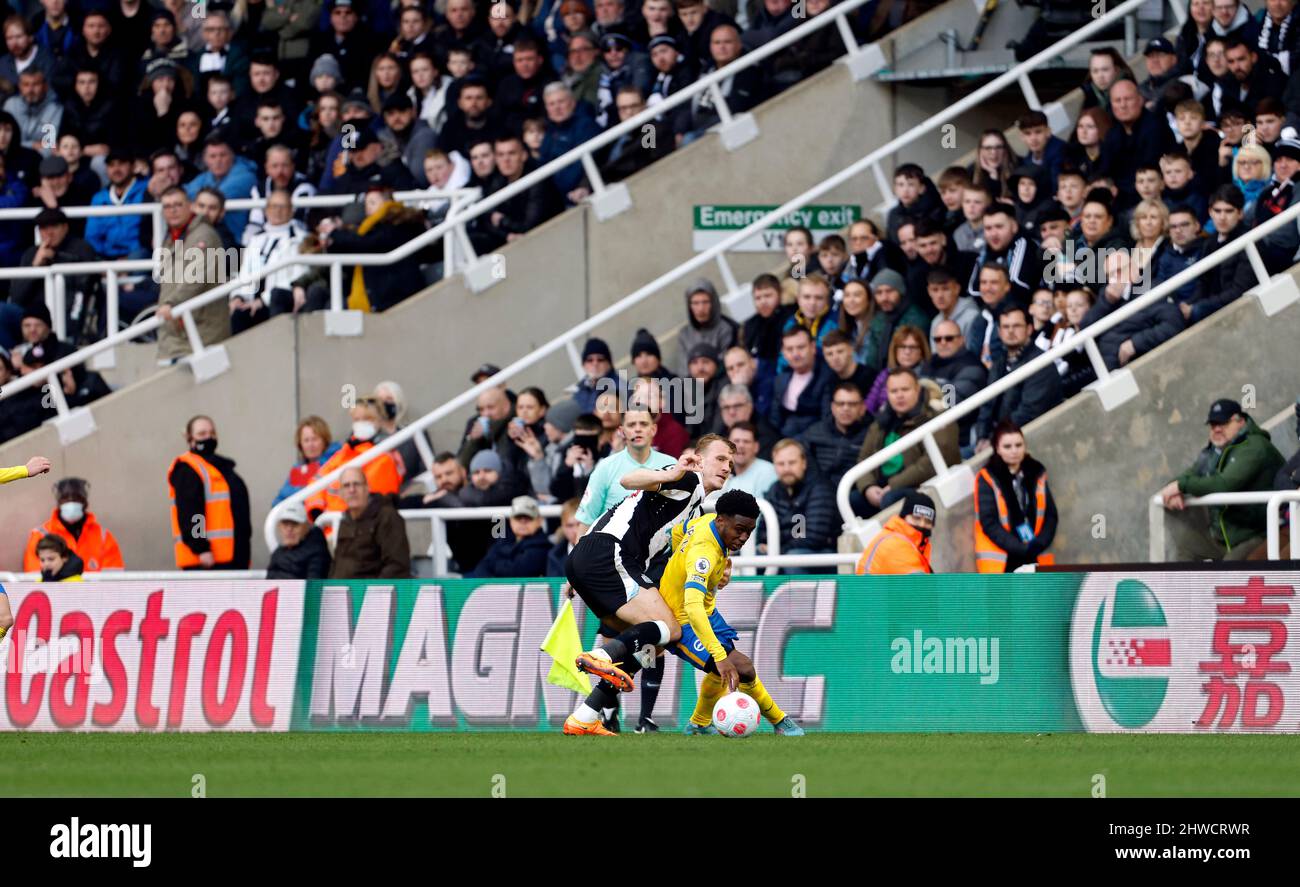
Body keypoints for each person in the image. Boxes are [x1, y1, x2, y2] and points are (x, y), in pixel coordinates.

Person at [563, 434, 734, 735]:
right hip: (609, 553)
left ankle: (585, 717)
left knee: (650, 644)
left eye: (730, 463)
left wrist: (716, 572)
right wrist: (670, 472)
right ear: (699, 458)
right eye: (720, 459)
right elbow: (629, 480)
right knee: (671, 628)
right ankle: (601, 656)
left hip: (592, 556)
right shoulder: (688, 481)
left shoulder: (694, 506)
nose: (726, 467)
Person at [658, 492, 804, 736]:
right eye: (739, 530)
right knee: (736, 667)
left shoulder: (704, 523)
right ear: (721, 520)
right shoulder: (703, 553)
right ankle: (780, 722)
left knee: (737, 667)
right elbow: (692, 606)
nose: (744, 537)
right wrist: (718, 655)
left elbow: (676, 532)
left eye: (749, 531)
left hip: (706, 611)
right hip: (681, 618)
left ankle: (698, 724)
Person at [1157, 398, 1286, 560]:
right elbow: (1188, 475)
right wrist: (1174, 487)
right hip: (1224, 535)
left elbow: (1224, 484)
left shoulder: (1255, 446)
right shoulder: (1213, 452)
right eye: (1213, 425)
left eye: (1223, 423)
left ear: (1240, 421)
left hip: (1257, 533)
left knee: (1228, 569)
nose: (1217, 429)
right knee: (1186, 547)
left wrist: (1181, 486)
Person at [855, 368, 960, 515]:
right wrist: (868, 487)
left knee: (891, 499)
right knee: (851, 500)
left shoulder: (937, 418)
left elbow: (933, 461)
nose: (899, 395)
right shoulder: (880, 423)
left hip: (920, 486)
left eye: (905, 389)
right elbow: (863, 459)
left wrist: (893, 485)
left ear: (918, 389)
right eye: (894, 391)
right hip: (883, 488)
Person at [155, 185, 232, 365]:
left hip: (201, 333)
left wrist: (171, 304)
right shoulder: (172, 237)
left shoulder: (204, 235)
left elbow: (196, 278)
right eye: (167, 206)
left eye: (178, 204)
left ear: (190, 206)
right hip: (178, 334)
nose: (172, 210)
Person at [167, 415, 251, 570]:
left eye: (212, 433)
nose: (209, 437)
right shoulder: (188, 468)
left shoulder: (222, 467)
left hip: (233, 558)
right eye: (202, 434)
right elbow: (192, 513)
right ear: (190, 438)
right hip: (207, 562)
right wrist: (201, 548)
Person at [975, 305, 1064, 449]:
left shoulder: (1041, 363)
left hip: (1033, 440)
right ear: (999, 332)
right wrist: (981, 437)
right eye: (1005, 327)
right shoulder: (999, 362)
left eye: (1016, 326)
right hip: (1000, 438)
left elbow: (1028, 412)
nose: (1010, 331)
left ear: (1029, 329)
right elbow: (987, 405)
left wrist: (993, 440)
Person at [974, 422, 1058, 573]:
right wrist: (1021, 548)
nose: (1014, 451)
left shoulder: (1036, 471)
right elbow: (989, 523)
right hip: (1004, 560)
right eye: (1007, 446)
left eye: (1018, 445)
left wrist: (1039, 543)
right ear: (997, 449)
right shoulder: (987, 476)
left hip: (1035, 553)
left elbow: (1050, 515)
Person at [307, 399, 403, 520]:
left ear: (379, 422)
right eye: (357, 419)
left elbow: (371, 500)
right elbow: (317, 480)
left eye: (367, 419)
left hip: (357, 528)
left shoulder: (385, 457)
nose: (361, 423)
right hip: (330, 524)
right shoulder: (344, 452)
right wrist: (317, 510)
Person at [765, 438, 838, 572]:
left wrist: (779, 549)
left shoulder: (820, 487)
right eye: (781, 464)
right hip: (784, 550)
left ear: (804, 463)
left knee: (792, 560)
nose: (786, 469)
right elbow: (763, 533)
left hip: (821, 554)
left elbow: (814, 537)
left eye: (792, 463)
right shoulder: (774, 490)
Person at [22, 476, 124, 573]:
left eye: (76, 498)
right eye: (65, 498)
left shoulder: (103, 537)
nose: (71, 502)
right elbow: (33, 576)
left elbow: (114, 578)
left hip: (95, 591)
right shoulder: (40, 535)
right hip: (55, 591)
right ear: (59, 503)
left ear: (85, 503)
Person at [328, 467, 411, 579]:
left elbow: (397, 565)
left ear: (367, 488)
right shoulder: (345, 520)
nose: (352, 490)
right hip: (343, 593)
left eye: (356, 484)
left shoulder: (386, 516)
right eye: (346, 486)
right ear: (341, 493)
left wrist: (372, 594)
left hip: (372, 593)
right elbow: (337, 565)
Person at [798, 381, 871, 492]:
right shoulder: (815, 431)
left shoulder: (872, 433)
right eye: (840, 404)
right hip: (818, 490)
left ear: (862, 408)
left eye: (852, 404)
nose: (845, 408)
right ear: (832, 407)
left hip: (853, 492)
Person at [771, 326, 834, 438]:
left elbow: (827, 421)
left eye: (800, 347)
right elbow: (774, 419)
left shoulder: (828, 377)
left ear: (813, 347)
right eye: (789, 349)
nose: (795, 354)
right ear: (783, 353)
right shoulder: (780, 379)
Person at [468, 495, 552, 578]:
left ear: (539, 521)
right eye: (518, 517)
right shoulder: (502, 540)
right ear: (511, 520)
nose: (523, 522)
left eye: (528, 518)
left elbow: (515, 572)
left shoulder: (543, 546)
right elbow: (482, 567)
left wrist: (495, 564)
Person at [855, 490, 935, 575]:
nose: (922, 524)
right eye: (916, 518)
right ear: (904, 517)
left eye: (928, 521)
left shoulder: (897, 538)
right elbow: (920, 585)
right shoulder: (896, 545)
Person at [274, 416, 343, 506]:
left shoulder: (335, 462)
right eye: (306, 440)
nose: (311, 444)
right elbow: (279, 499)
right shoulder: (298, 468)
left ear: (325, 441)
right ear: (300, 444)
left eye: (315, 439)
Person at [265, 500, 332, 580]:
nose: (289, 529)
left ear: (306, 527)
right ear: (279, 526)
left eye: (295, 524)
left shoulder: (317, 553)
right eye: (285, 524)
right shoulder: (278, 553)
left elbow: (313, 588)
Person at [722, 421, 777, 497]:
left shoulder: (767, 472)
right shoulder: (724, 476)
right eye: (736, 441)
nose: (741, 445)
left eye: (746, 441)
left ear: (756, 447)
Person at [547, 498, 584, 577]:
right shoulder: (554, 555)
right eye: (570, 526)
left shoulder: (603, 551)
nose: (575, 530)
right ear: (562, 527)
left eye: (580, 524)